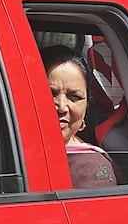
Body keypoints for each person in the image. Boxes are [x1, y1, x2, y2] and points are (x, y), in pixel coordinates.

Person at [42, 47, 118, 189]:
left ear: (87, 105)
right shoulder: (3, 149)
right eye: (49, 93)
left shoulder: (90, 166)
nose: (62, 107)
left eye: (74, 97)